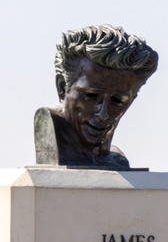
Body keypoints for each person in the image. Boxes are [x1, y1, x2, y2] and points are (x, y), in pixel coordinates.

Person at [34, 24, 159, 169]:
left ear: (132, 99)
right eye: (91, 96)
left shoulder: (116, 159)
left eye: (117, 100)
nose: (103, 114)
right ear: (62, 86)